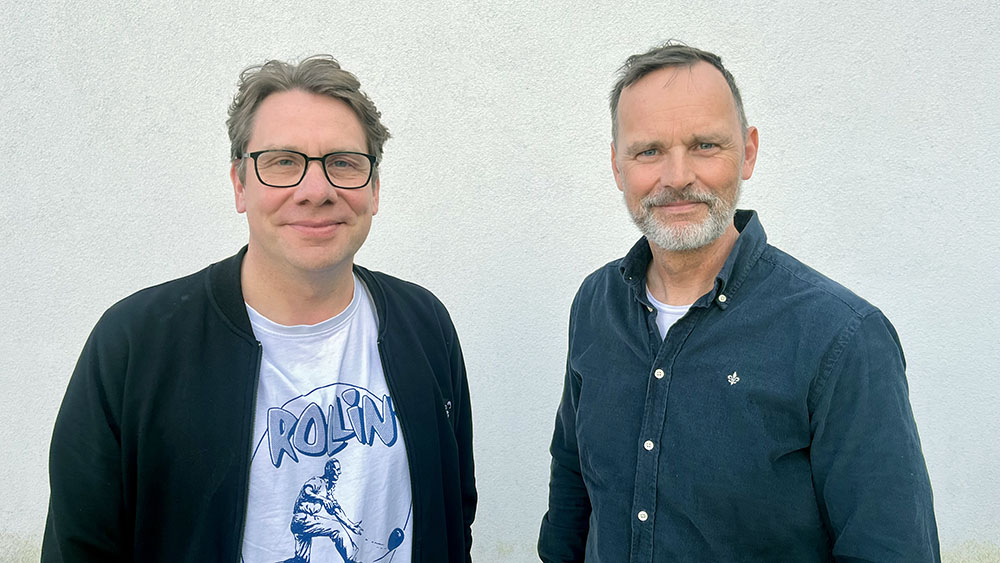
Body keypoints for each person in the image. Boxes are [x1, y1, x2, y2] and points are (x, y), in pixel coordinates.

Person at [42, 55, 476, 563]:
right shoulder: (136, 343)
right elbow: (81, 544)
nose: (316, 191)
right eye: (283, 162)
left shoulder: (424, 325)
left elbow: (454, 513)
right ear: (239, 185)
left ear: (374, 189)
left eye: (343, 162)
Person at [538, 43, 939, 562]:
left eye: (705, 145)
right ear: (617, 166)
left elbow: (889, 549)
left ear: (748, 152)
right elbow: (573, 478)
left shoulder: (840, 338)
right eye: (648, 151)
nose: (677, 176)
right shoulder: (597, 303)